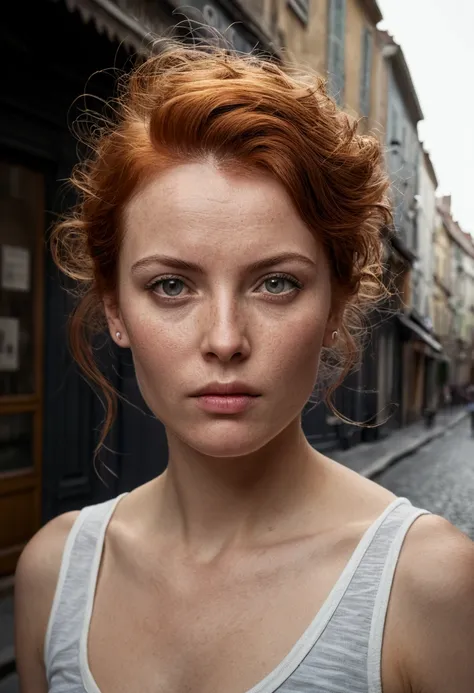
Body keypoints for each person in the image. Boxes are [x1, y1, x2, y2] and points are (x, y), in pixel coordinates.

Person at [15, 42, 474, 693]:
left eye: (276, 283)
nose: (225, 339)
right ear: (116, 309)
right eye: (172, 286)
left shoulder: (430, 587)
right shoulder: (55, 573)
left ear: (336, 309)